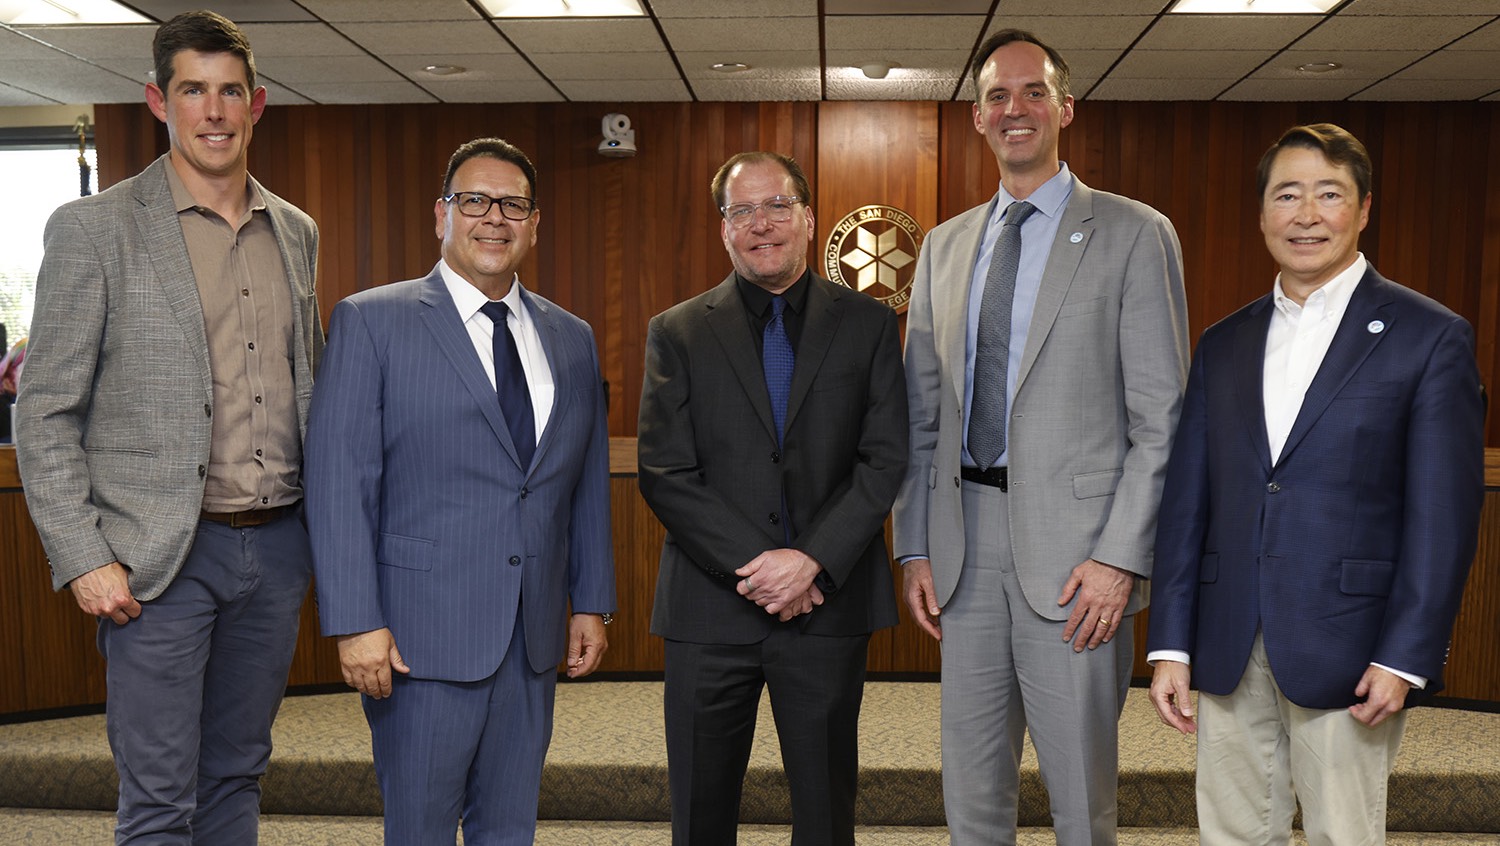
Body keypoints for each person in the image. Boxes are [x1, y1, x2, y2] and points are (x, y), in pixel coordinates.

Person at [14, 11, 322, 844]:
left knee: (236, 777)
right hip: (156, 565)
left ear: (256, 105)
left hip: (275, 551)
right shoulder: (94, 229)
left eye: (231, 92)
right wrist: (85, 559)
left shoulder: (295, 232)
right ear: (159, 100)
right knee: (157, 800)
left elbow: (309, 387)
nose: (214, 111)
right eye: (194, 90)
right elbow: (43, 411)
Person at [1147, 123, 1485, 846]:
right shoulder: (1223, 341)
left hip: (1354, 646)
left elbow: (1442, 521)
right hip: (1227, 636)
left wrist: (1405, 656)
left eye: (1328, 195)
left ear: (1363, 210)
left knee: (1343, 835)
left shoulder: (1430, 336)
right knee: (1231, 832)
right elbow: (1187, 505)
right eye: (1287, 195)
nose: (1306, 215)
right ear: (1263, 213)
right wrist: (1171, 644)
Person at [892, 29, 1190, 845]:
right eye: (995, 95)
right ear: (977, 119)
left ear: (1065, 107)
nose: (1013, 108)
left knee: (1080, 798)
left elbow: (1161, 419)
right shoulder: (947, 247)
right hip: (962, 549)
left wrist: (1122, 557)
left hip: (1079, 562)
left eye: (1031, 92)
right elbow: (922, 413)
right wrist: (913, 546)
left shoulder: (1135, 233)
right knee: (971, 793)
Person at [304, 136, 616, 845]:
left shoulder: (571, 337)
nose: (493, 218)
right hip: (420, 638)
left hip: (530, 634)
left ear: (535, 223)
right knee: (419, 829)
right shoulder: (371, 321)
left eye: (513, 204)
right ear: (441, 214)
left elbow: (583, 480)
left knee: (510, 829)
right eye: (474, 201)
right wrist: (355, 620)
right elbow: (338, 482)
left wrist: (591, 600)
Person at [637, 151, 907, 846]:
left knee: (824, 816)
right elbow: (666, 472)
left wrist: (811, 561)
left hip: (826, 609)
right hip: (709, 607)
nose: (762, 223)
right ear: (723, 229)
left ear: (809, 218)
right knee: (700, 814)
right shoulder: (678, 331)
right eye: (742, 210)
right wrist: (762, 567)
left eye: (778, 205)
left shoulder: (869, 326)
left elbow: (883, 460)